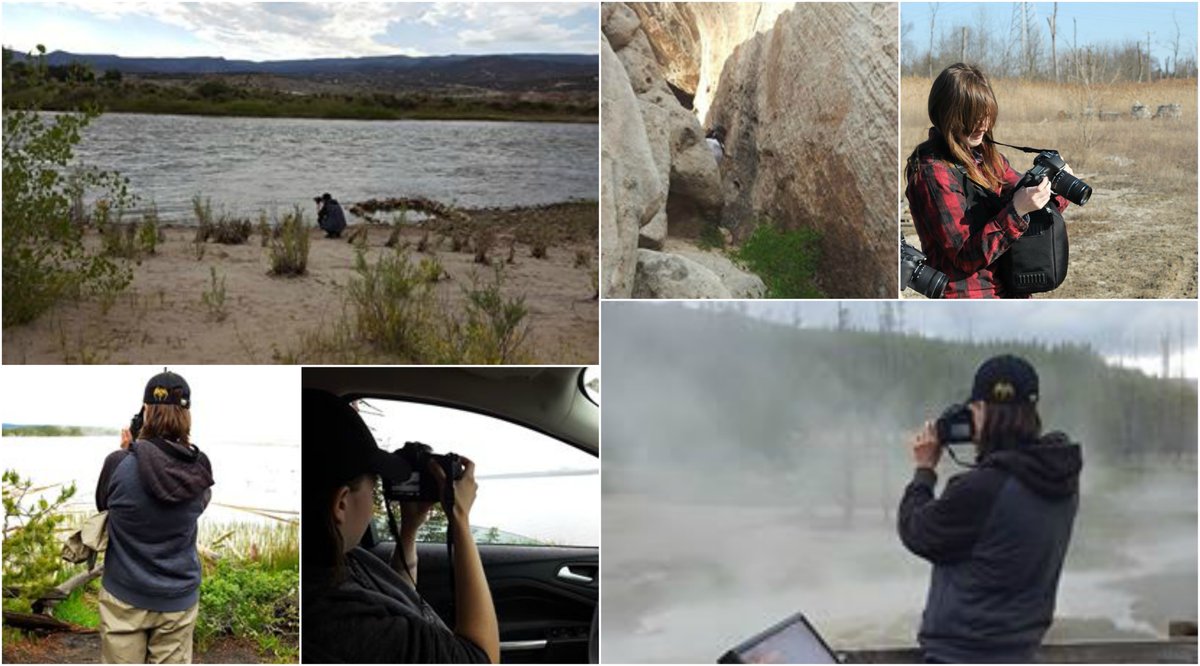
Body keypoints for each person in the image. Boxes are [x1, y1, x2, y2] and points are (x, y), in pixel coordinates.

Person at [897, 355, 1082, 663]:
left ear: (981, 410)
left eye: (973, 411)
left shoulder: (984, 488)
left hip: (962, 655)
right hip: (1021, 651)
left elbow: (916, 531)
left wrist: (925, 469)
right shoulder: (1060, 478)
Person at [300, 389, 499, 663]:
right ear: (342, 504)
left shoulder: (336, 558)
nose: (375, 498)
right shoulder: (338, 622)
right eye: (373, 487)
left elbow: (398, 599)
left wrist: (409, 530)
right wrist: (460, 519)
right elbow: (481, 658)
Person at [905, 63, 1074, 298]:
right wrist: (1016, 211)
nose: (983, 125)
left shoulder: (987, 158)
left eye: (986, 115)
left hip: (1008, 290)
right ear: (948, 114)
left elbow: (1034, 208)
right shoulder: (932, 173)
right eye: (973, 117)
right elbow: (965, 255)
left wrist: (1056, 186)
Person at [95, 370, 213, 664]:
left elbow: (104, 505)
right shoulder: (200, 468)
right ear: (187, 415)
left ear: (146, 411)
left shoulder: (118, 464)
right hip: (178, 598)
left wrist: (128, 451)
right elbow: (198, 504)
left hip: (123, 595)